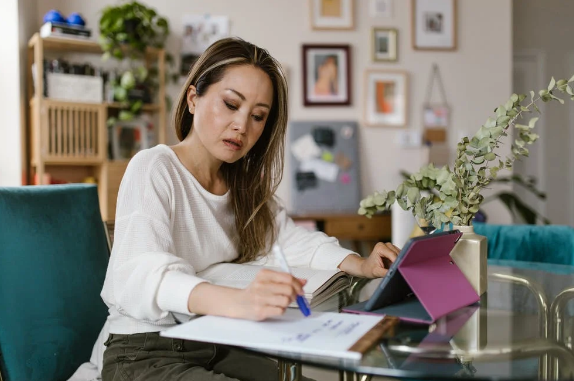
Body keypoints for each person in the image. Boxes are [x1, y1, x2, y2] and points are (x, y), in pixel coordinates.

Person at [100, 37, 400, 381]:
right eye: (230, 104)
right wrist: (237, 302)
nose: (243, 126)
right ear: (194, 98)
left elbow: (293, 241)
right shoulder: (154, 168)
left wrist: (362, 264)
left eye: (258, 116)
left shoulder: (244, 188)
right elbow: (139, 273)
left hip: (213, 341)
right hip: (143, 350)